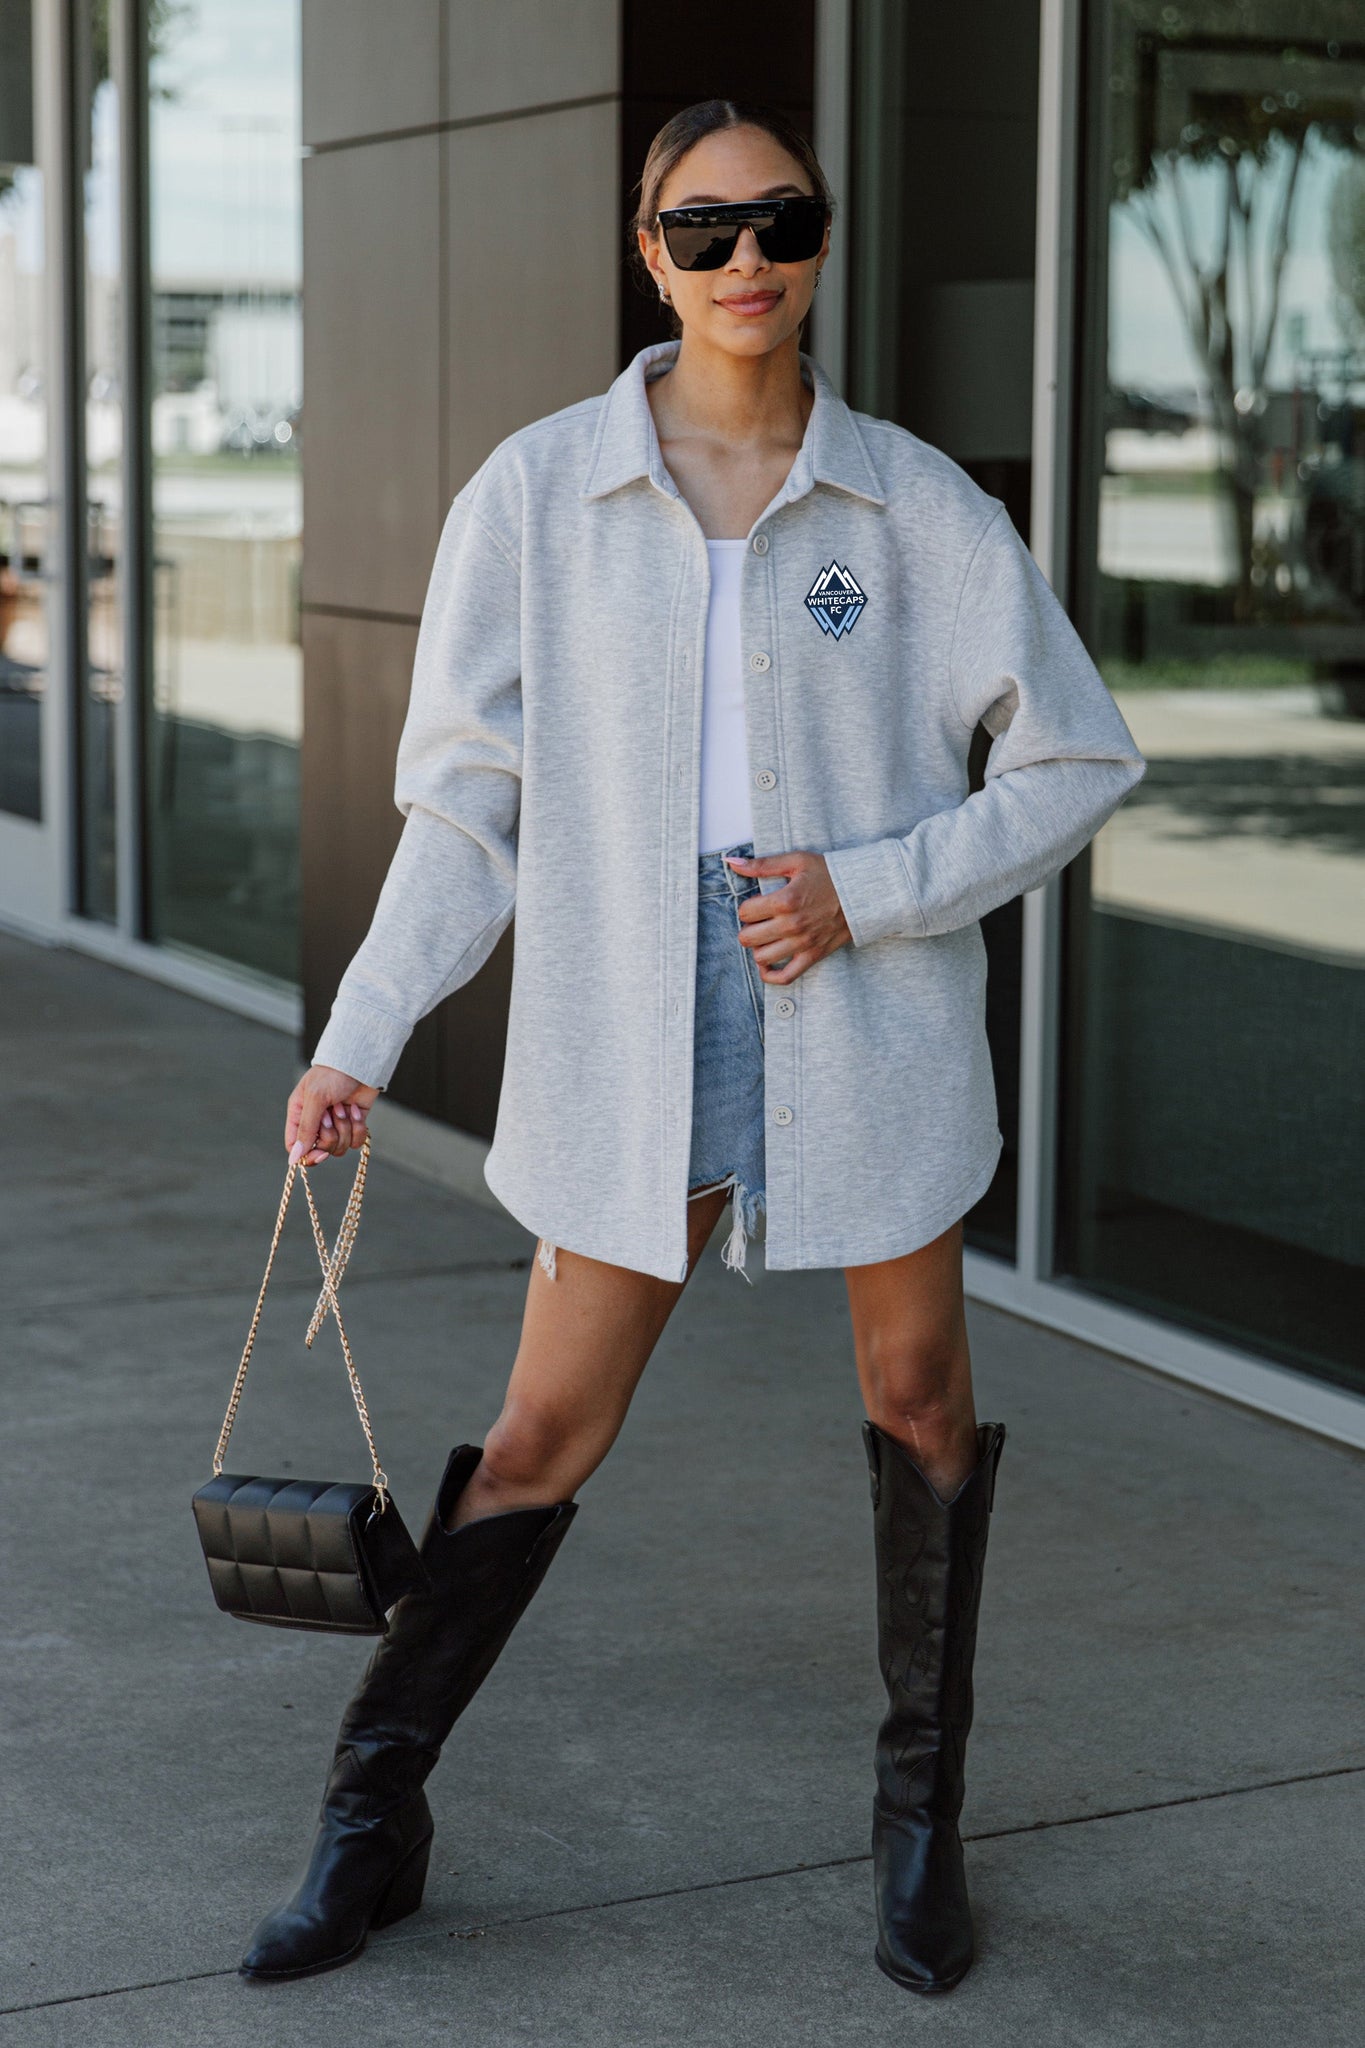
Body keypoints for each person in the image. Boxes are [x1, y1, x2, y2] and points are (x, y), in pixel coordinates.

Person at [241, 99, 1146, 1994]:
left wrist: (869, 891)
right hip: (624, 1015)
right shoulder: (537, 494)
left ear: (818, 243)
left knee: (920, 1401)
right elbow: (466, 810)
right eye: (706, 228)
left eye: (781, 223)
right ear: (647, 252)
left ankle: (918, 1831)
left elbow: (1076, 755)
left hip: (865, 1013)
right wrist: (360, 1037)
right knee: (540, 1435)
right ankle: (368, 1818)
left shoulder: (914, 505)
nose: (748, 260)